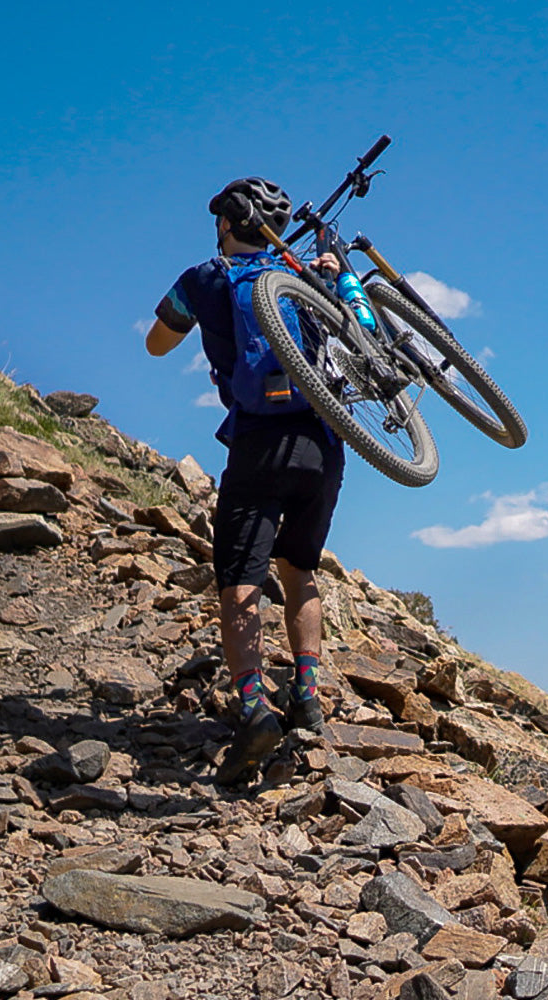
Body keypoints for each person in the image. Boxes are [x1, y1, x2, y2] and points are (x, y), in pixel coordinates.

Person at [146, 177, 345, 785]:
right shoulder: (303, 271)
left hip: (257, 446)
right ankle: (308, 695)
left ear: (227, 224)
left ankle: (256, 708)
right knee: (300, 569)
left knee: (240, 583)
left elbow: (157, 345)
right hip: (324, 442)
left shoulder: (206, 278)